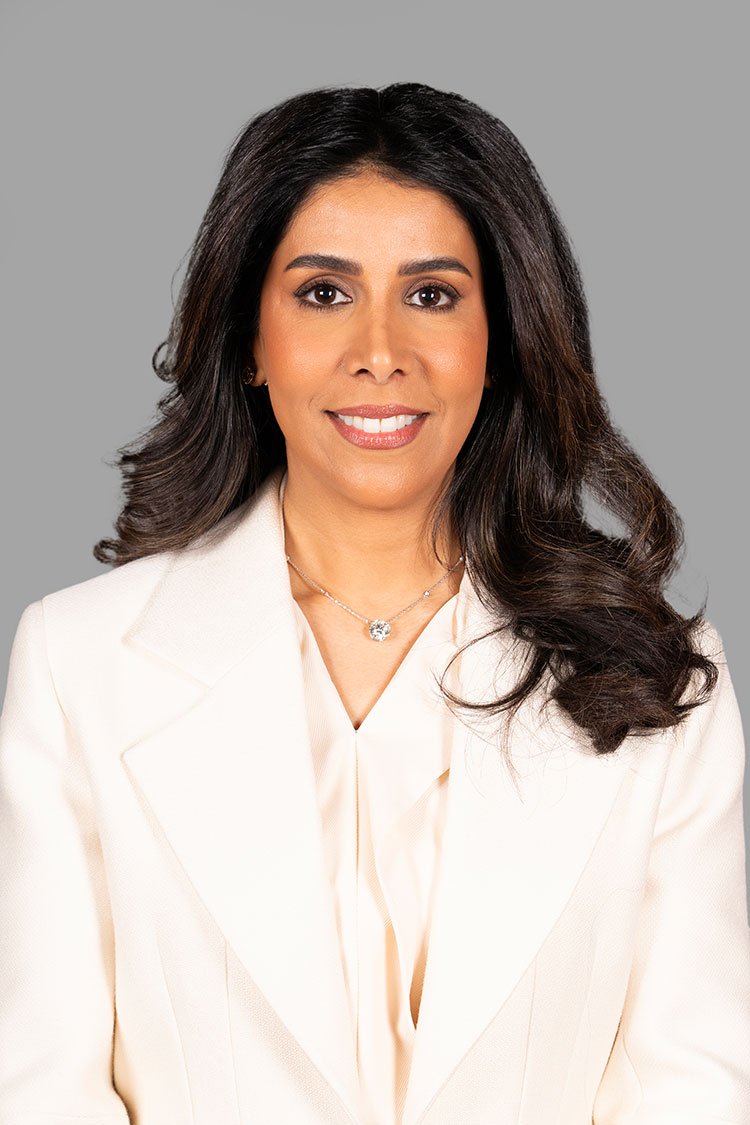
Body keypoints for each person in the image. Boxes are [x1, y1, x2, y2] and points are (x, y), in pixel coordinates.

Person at [1, 81, 748, 1125]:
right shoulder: (76, 664)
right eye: (323, 293)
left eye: (433, 295)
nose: (381, 350)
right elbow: (40, 1089)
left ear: (502, 339)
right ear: (249, 337)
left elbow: (695, 1089)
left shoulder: (658, 680)